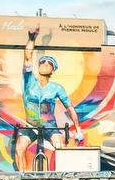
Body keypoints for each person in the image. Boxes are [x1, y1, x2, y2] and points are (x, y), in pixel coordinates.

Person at [15, 26, 84, 170]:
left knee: (60, 146)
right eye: (42, 62)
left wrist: (78, 130)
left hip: (50, 127)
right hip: (30, 125)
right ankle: (21, 178)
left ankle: (64, 178)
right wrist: (32, 39)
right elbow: (28, 57)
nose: (45, 64)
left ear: (53, 70)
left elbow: (70, 108)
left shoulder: (56, 88)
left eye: (49, 64)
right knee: (19, 148)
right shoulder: (29, 80)